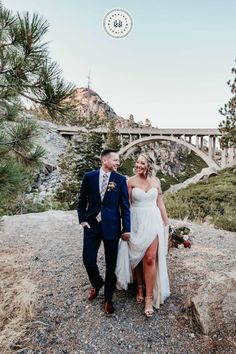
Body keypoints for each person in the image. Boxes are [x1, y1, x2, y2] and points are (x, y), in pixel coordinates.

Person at [115, 153, 170, 317]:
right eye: (137, 162)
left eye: (142, 163)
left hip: (153, 221)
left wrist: (166, 223)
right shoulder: (130, 181)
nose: (138, 165)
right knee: (138, 254)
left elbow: (159, 202)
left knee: (150, 257)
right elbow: (126, 206)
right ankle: (139, 286)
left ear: (149, 165)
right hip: (136, 221)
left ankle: (148, 298)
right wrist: (125, 228)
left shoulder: (156, 181)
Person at [77, 149, 130, 316]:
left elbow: (125, 207)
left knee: (111, 264)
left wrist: (126, 229)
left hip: (112, 227)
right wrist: (82, 219)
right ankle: (97, 283)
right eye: (115, 160)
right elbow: (81, 200)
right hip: (92, 225)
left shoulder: (120, 180)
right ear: (105, 161)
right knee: (88, 260)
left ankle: (108, 298)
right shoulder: (89, 177)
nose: (117, 163)